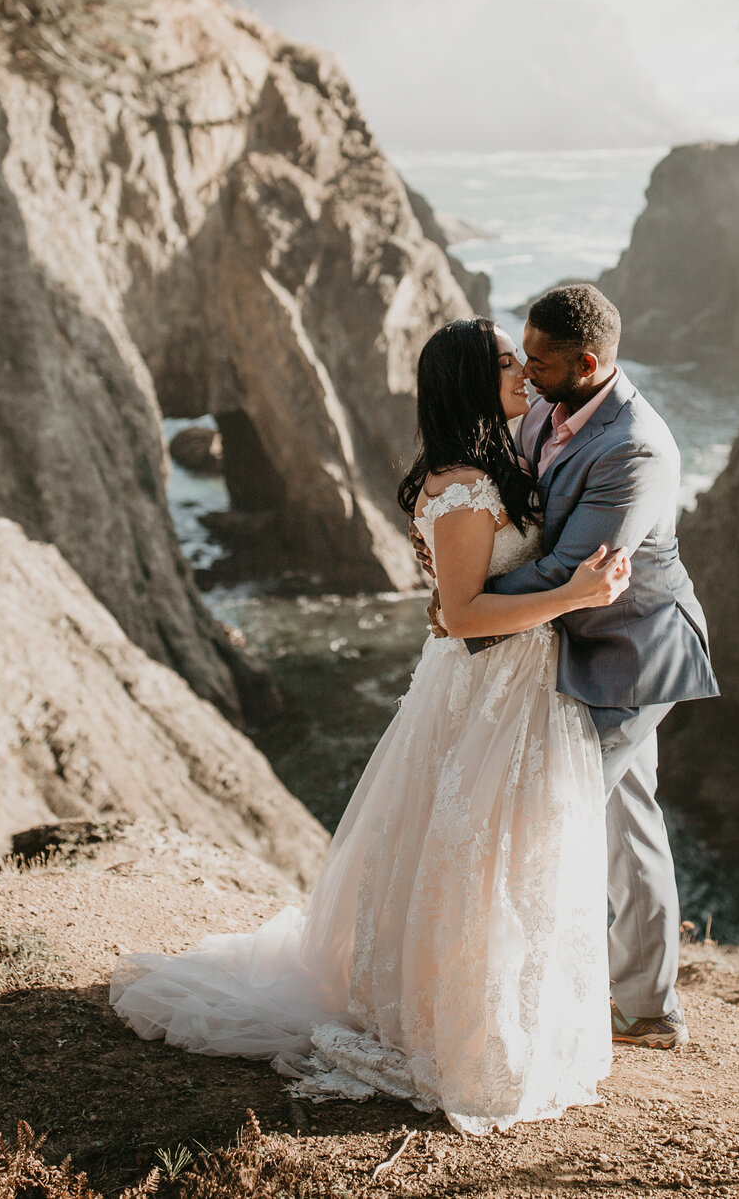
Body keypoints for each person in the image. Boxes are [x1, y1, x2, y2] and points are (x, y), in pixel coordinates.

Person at [110, 318, 632, 1133]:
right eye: (505, 363)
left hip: (522, 690)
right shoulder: (458, 485)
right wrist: (573, 598)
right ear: (469, 380)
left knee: (514, 854)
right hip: (482, 689)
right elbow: (462, 613)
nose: (522, 374)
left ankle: (510, 1017)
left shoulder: (500, 459)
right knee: (469, 854)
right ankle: (450, 1029)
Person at [485, 281, 718, 1050]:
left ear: (588, 363)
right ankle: (650, 1006)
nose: (525, 367)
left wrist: (466, 601)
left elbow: (567, 571)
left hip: (633, 653)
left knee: (555, 808)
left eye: (541, 360)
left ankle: (544, 994)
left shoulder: (636, 447)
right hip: (576, 641)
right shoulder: (551, 407)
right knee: (631, 817)